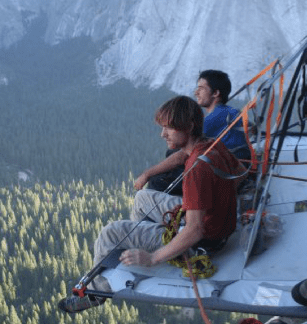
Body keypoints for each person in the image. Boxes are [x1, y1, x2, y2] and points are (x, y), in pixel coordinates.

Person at [58, 96, 244, 313]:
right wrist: (149, 173)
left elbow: (195, 230)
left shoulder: (197, 170)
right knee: (142, 198)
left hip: (202, 243)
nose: (162, 134)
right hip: (216, 225)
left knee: (110, 232)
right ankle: (143, 247)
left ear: (189, 126)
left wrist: (153, 257)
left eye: (169, 128)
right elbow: (239, 171)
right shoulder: (211, 145)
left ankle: (95, 293)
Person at [138, 70, 249, 195]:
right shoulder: (229, 111)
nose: (196, 92)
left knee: (157, 181)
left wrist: (147, 174)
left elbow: (183, 154)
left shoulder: (217, 116)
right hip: (233, 167)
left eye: (201, 88)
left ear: (216, 93)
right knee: (171, 155)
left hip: (225, 173)